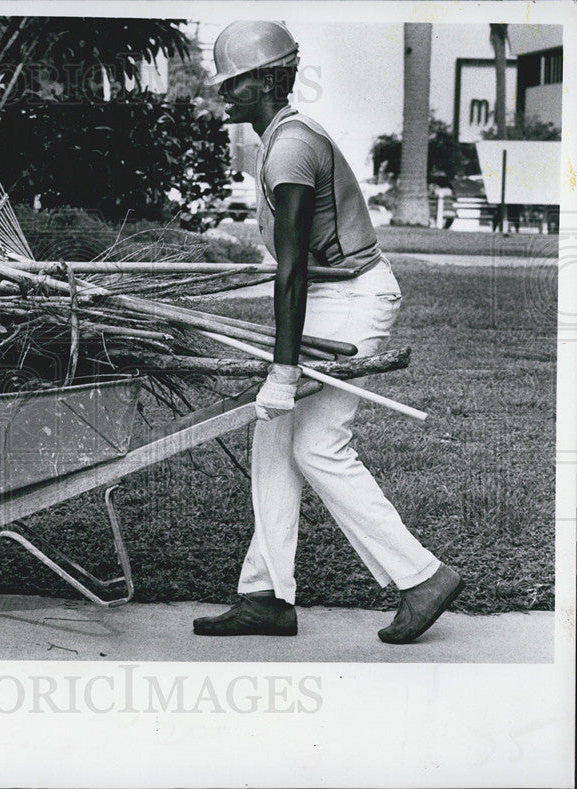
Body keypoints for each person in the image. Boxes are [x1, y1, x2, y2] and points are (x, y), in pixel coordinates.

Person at [192, 20, 464, 644]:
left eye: (232, 83)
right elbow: (294, 276)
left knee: (317, 446)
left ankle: (422, 577)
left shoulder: (289, 147)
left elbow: (288, 274)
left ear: (264, 81)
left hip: (353, 300)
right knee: (273, 440)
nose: (223, 94)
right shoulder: (276, 138)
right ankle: (265, 596)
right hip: (327, 298)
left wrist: (283, 374)